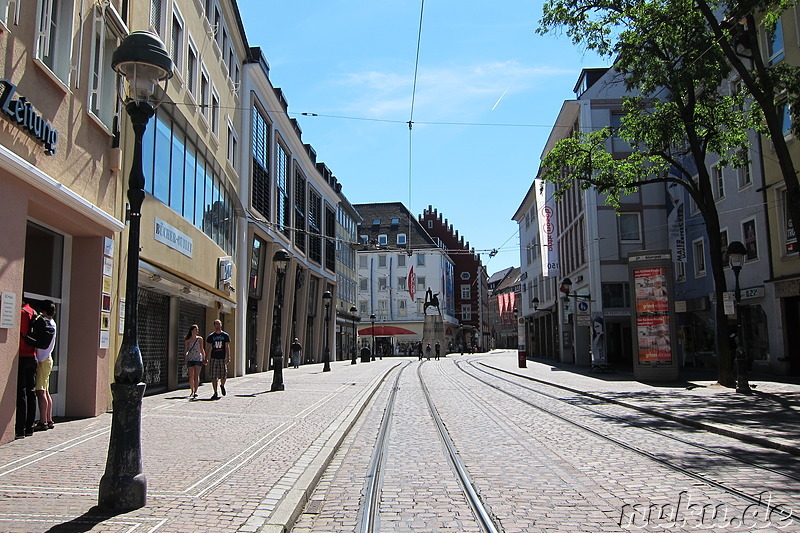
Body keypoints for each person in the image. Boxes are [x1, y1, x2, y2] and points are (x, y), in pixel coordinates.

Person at [33, 300, 57, 431]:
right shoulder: (52, 323)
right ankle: (49, 419)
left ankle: (43, 421)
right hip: (48, 358)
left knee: (40, 391)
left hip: (42, 360)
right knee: (46, 391)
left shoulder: (46, 323)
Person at [16, 300, 38, 439]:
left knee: (21, 393)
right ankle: (30, 427)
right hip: (33, 356)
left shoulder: (22, 313)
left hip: (23, 355)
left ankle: (20, 429)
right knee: (31, 392)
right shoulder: (33, 312)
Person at [206, 319, 231, 400]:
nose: (217, 325)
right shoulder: (211, 336)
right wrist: (206, 357)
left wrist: (228, 357)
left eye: (219, 324)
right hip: (214, 357)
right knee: (214, 376)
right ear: (214, 325)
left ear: (221, 325)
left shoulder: (225, 335)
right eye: (216, 324)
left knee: (224, 374)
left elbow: (227, 347)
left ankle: (222, 385)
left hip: (222, 357)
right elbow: (208, 347)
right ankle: (215, 392)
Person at [184, 324, 206, 399]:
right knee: (191, 376)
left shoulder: (200, 339)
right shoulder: (188, 340)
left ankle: (195, 391)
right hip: (190, 358)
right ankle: (192, 390)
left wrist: (204, 357)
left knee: (196, 375)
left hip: (198, 358)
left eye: (197, 330)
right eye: (196, 329)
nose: (197, 331)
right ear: (192, 331)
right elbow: (186, 350)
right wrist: (185, 358)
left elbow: (202, 349)